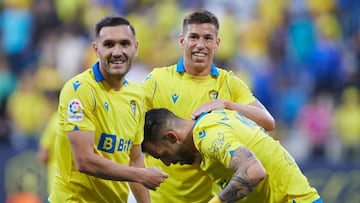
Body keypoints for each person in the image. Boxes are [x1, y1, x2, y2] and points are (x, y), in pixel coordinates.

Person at [141, 9, 275, 202]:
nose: (200, 45)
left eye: (208, 38)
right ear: (182, 41)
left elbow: (268, 122)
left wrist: (226, 104)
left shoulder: (228, 82)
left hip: (209, 198)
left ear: (217, 43)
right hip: (160, 198)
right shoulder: (157, 80)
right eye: (194, 37)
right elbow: (131, 129)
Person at [48, 15, 168, 203]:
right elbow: (84, 160)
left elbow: (135, 159)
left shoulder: (136, 96)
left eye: (124, 44)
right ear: (96, 49)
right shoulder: (79, 91)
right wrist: (141, 175)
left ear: (135, 47)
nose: (117, 52)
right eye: (109, 44)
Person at [142, 108, 323, 203]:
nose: (167, 162)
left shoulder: (207, 135)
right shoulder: (217, 118)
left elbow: (253, 171)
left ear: (172, 137)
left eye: (162, 155)